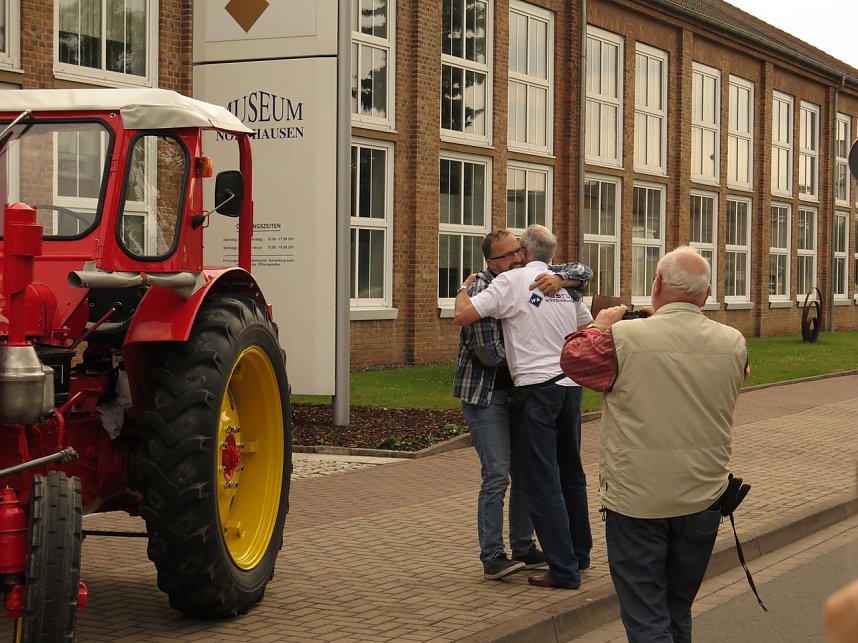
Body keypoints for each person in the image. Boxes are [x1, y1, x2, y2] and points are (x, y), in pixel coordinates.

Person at [560, 245, 748, 642]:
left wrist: (600, 325)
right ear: (707, 293)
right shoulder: (733, 342)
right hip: (703, 497)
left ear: (657, 284)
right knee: (677, 608)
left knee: (646, 616)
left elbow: (574, 359)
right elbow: (733, 371)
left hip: (637, 500)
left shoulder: (622, 338)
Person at [455, 224, 594, 590]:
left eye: (518, 250)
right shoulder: (540, 280)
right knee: (545, 474)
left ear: (527, 252)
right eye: (507, 254)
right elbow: (587, 326)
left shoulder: (536, 279)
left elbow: (463, 315)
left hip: (536, 392)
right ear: (490, 260)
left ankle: (563, 565)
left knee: (542, 479)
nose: (515, 257)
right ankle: (566, 554)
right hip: (545, 390)